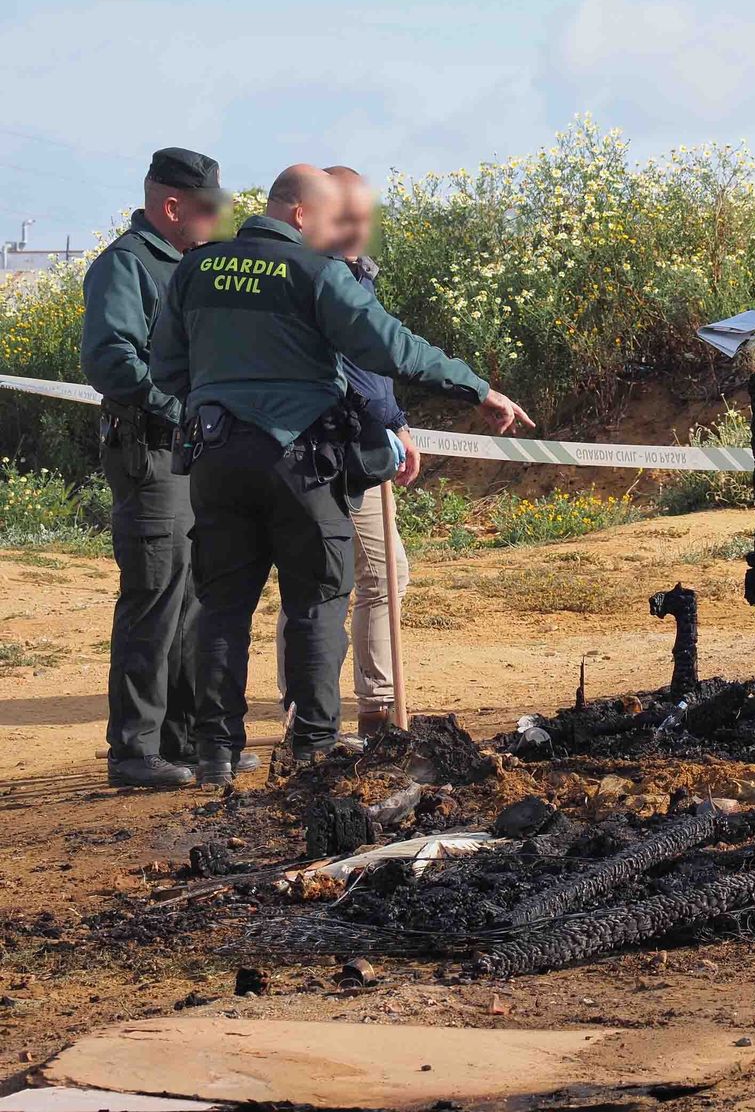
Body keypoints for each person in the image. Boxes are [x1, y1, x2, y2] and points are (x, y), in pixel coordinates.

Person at [151, 164, 534, 785]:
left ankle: (215, 752)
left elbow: (167, 368)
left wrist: (219, 402)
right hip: (301, 463)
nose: (335, 235)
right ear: (301, 214)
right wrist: (477, 388)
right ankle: (314, 749)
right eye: (329, 221)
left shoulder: (195, 268)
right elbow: (391, 347)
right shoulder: (315, 272)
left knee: (223, 606)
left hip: (216, 460)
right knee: (317, 601)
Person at [80, 147, 238, 788]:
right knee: (154, 595)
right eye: (207, 207)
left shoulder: (189, 263)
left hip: (193, 452)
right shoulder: (126, 264)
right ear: (171, 206)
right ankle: (134, 750)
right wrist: (182, 407)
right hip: (153, 450)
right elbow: (111, 359)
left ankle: (185, 740)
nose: (217, 218)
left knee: (195, 596)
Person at [274, 166, 417, 740]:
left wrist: (396, 422)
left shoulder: (356, 273)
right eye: (347, 217)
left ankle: (317, 705)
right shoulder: (321, 276)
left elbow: (377, 362)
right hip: (332, 451)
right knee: (360, 575)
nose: (358, 229)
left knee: (323, 576)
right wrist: (390, 425)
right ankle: (366, 709)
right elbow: (353, 369)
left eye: (364, 217)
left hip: (358, 445)